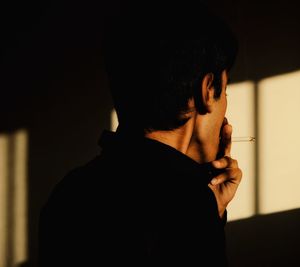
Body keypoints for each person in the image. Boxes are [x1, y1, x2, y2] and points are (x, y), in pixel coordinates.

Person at [38, 1, 241, 266]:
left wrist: (210, 206)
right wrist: (201, 210)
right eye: (223, 91)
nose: (224, 105)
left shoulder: (68, 195)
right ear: (206, 90)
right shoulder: (186, 206)